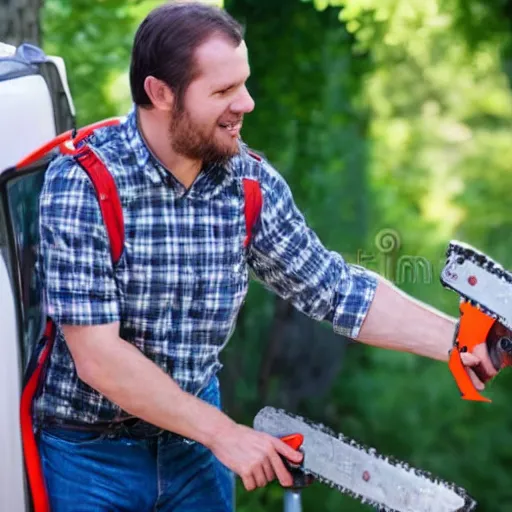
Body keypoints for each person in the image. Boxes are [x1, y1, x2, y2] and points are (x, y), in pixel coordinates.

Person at [33, 2, 501, 511]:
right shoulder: (84, 183)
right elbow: (98, 357)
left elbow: (334, 288)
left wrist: (460, 341)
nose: (247, 103)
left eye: (244, 83)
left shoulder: (248, 185)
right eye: (223, 91)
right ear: (160, 93)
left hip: (193, 451)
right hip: (90, 452)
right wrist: (223, 434)